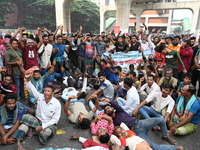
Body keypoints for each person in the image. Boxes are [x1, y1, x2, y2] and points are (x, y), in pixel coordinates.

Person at [101, 98, 183, 150]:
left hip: (140, 123)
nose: (108, 110)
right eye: (106, 110)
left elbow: (115, 104)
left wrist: (108, 101)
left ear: (112, 108)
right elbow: (112, 131)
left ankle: (166, 136)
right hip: (137, 131)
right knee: (152, 147)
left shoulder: (119, 111)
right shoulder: (114, 122)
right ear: (107, 114)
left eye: (108, 108)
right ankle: (174, 148)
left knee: (161, 120)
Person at [13, 71, 61, 144]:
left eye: (48, 91)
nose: (46, 93)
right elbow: (32, 89)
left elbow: (55, 119)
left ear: (53, 93)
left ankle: (35, 130)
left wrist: (43, 126)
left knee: (44, 133)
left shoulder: (57, 103)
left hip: (49, 124)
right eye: (45, 91)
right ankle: (35, 129)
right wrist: (28, 79)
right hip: (37, 121)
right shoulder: (40, 97)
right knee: (24, 117)